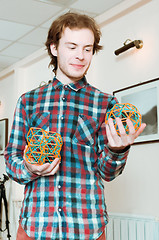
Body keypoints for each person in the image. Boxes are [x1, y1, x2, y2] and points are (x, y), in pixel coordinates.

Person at [4, 12, 146, 240]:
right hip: (36, 227)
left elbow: (107, 173)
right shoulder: (28, 102)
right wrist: (30, 168)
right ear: (54, 48)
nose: (80, 56)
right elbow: (11, 161)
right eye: (72, 47)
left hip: (87, 227)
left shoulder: (105, 104)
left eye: (87, 49)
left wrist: (118, 150)